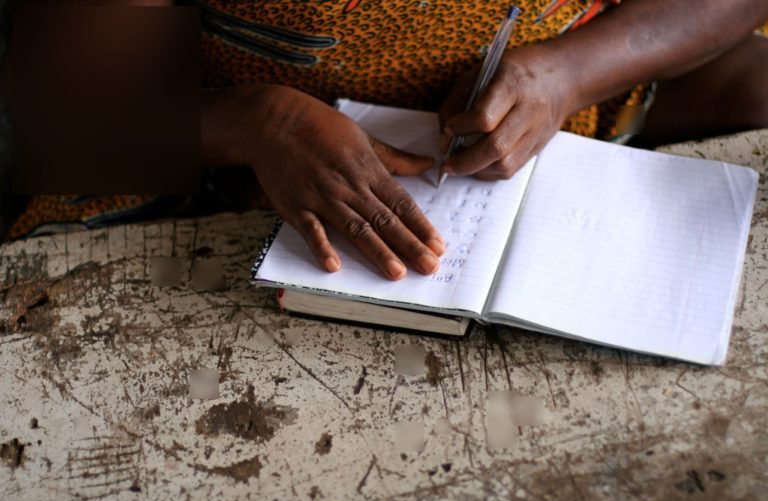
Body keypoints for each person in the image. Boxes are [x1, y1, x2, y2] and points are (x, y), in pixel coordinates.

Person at [5, 0, 768, 281]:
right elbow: (53, 110)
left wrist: (575, 70)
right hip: (219, 159)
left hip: (587, 97)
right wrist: (255, 122)